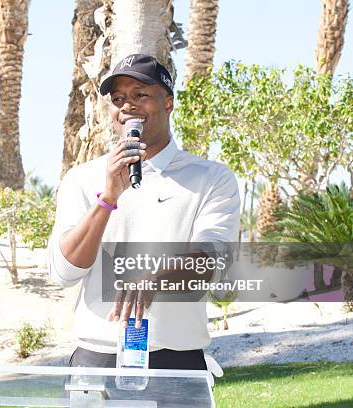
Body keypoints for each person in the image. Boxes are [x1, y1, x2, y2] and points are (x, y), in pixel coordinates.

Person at [48, 54, 240, 370]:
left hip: (176, 360)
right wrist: (107, 199)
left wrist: (155, 278)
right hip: (97, 358)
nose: (127, 106)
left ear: (168, 103)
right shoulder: (82, 178)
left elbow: (213, 259)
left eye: (140, 95)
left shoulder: (211, 178)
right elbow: (64, 273)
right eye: (119, 98)